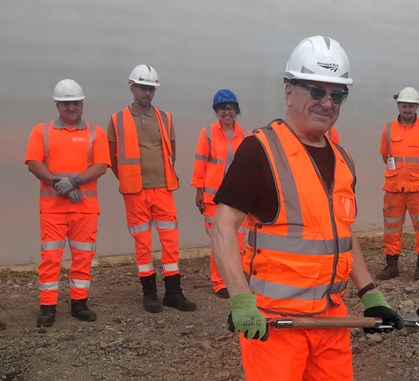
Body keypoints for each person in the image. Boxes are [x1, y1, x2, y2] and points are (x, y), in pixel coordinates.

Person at [211, 35, 404, 381]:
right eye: (316, 90)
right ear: (289, 90)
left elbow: (342, 236)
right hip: (276, 324)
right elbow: (223, 226)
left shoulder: (343, 159)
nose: (327, 101)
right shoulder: (261, 150)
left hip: (331, 321)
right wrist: (241, 299)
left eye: (337, 94)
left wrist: (370, 293)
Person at [107, 64, 196, 313]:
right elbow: (113, 157)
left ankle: (173, 293)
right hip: (135, 191)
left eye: (151, 89)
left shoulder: (165, 118)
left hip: (163, 188)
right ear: (132, 87)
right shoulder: (117, 120)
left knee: (170, 242)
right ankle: (149, 294)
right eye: (143, 88)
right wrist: (128, 177)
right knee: (143, 244)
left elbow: (172, 151)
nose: (147, 93)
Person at [25, 79, 110, 327]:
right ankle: (47, 306)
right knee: (50, 258)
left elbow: (102, 165)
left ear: (82, 104)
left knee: (83, 257)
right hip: (53, 210)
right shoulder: (42, 131)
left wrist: (74, 181)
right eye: (65, 104)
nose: (71, 108)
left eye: (75, 103)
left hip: (84, 210)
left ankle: (79, 303)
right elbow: (33, 162)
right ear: (57, 105)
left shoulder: (96, 133)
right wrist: (56, 182)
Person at [376, 87, 419, 281]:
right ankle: (391, 266)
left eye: (411, 106)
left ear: (417, 107)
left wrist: (417, 174)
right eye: (404, 105)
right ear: (398, 105)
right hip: (394, 187)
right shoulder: (388, 129)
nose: (407, 110)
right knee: (391, 228)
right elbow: (385, 155)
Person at [191, 89, 250, 298]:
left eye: (231, 108)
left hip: (238, 198)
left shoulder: (245, 135)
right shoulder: (207, 133)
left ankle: (239, 280)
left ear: (236, 110)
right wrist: (198, 190)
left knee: (240, 242)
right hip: (213, 198)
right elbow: (200, 163)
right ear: (216, 111)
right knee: (219, 241)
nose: (227, 112)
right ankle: (219, 282)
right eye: (223, 108)